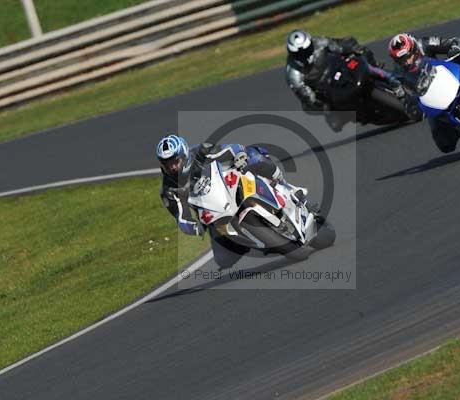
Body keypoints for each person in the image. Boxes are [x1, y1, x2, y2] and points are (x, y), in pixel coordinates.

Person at [156, 134, 306, 269]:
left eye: (175, 161)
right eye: (167, 164)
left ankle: (287, 187)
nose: (173, 167)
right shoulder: (168, 190)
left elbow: (231, 148)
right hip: (213, 213)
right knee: (223, 260)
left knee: (253, 155)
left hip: (231, 183)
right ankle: (254, 242)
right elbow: (181, 218)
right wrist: (195, 227)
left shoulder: (201, 152)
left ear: (184, 155)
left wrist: (239, 155)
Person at [286, 29, 405, 131]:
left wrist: (352, 47)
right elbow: (308, 98)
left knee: (362, 52)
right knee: (335, 123)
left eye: (306, 49)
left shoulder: (319, 42)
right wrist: (324, 106)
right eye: (299, 53)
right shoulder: (293, 74)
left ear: (310, 43)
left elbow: (339, 44)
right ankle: (360, 115)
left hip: (341, 67)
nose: (304, 54)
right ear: (292, 54)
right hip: (328, 90)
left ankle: (382, 71)